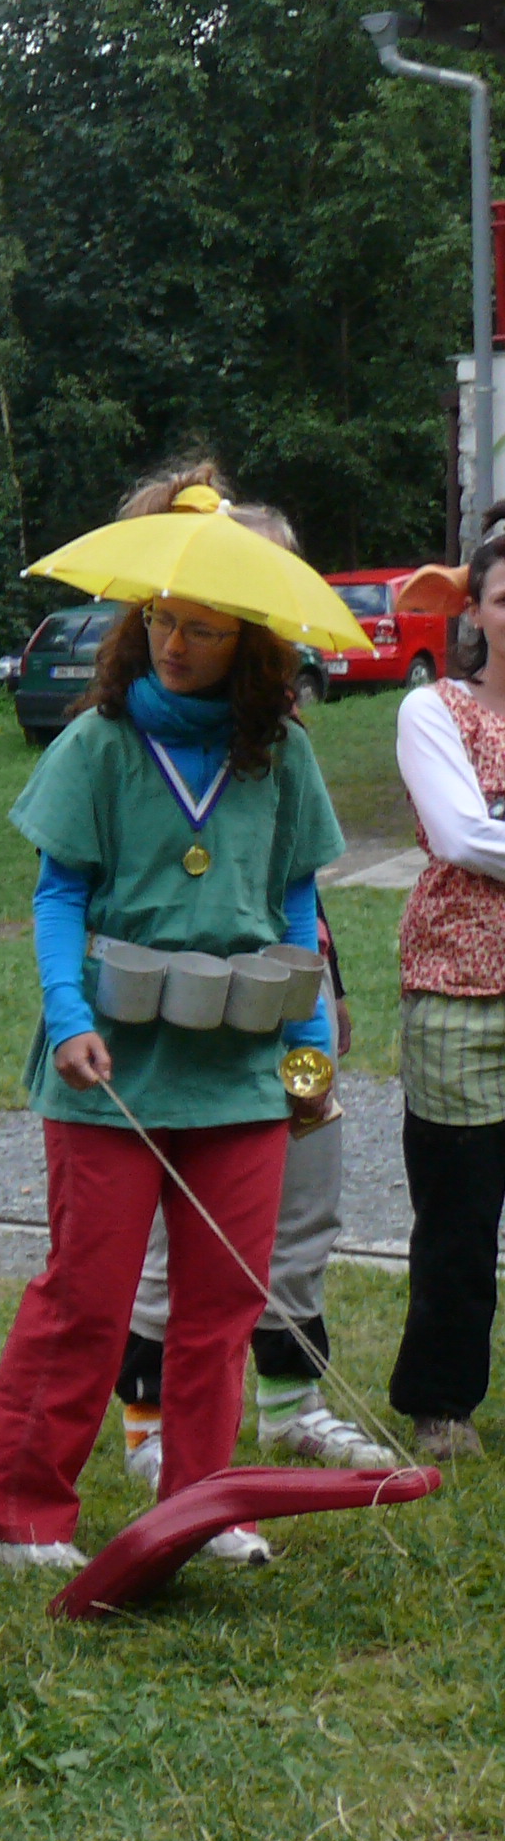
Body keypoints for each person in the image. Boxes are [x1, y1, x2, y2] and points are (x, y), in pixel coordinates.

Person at [0, 469, 342, 1573]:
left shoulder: (284, 756)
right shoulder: (98, 743)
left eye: (203, 629)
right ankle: (13, 1503)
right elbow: (56, 896)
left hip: (241, 1066)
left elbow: (297, 903)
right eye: (163, 620)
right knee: (89, 1295)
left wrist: (309, 1049)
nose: (175, 644)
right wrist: (67, 1015)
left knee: (223, 1304)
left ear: (248, 642)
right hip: (110, 1064)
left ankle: (202, 1508)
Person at [111, 506, 393, 1488]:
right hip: (183, 1024)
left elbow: (298, 895)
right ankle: (148, 1425)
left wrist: (324, 1012)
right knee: (177, 1228)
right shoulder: (140, 736)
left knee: (305, 1201)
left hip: (289, 1007)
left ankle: (292, 1405)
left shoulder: (281, 736)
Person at [389, 522, 505, 1460]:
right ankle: (442, 1404)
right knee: (461, 1215)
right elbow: (462, 836)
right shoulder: (433, 712)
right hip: (460, 991)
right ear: (474, 612)